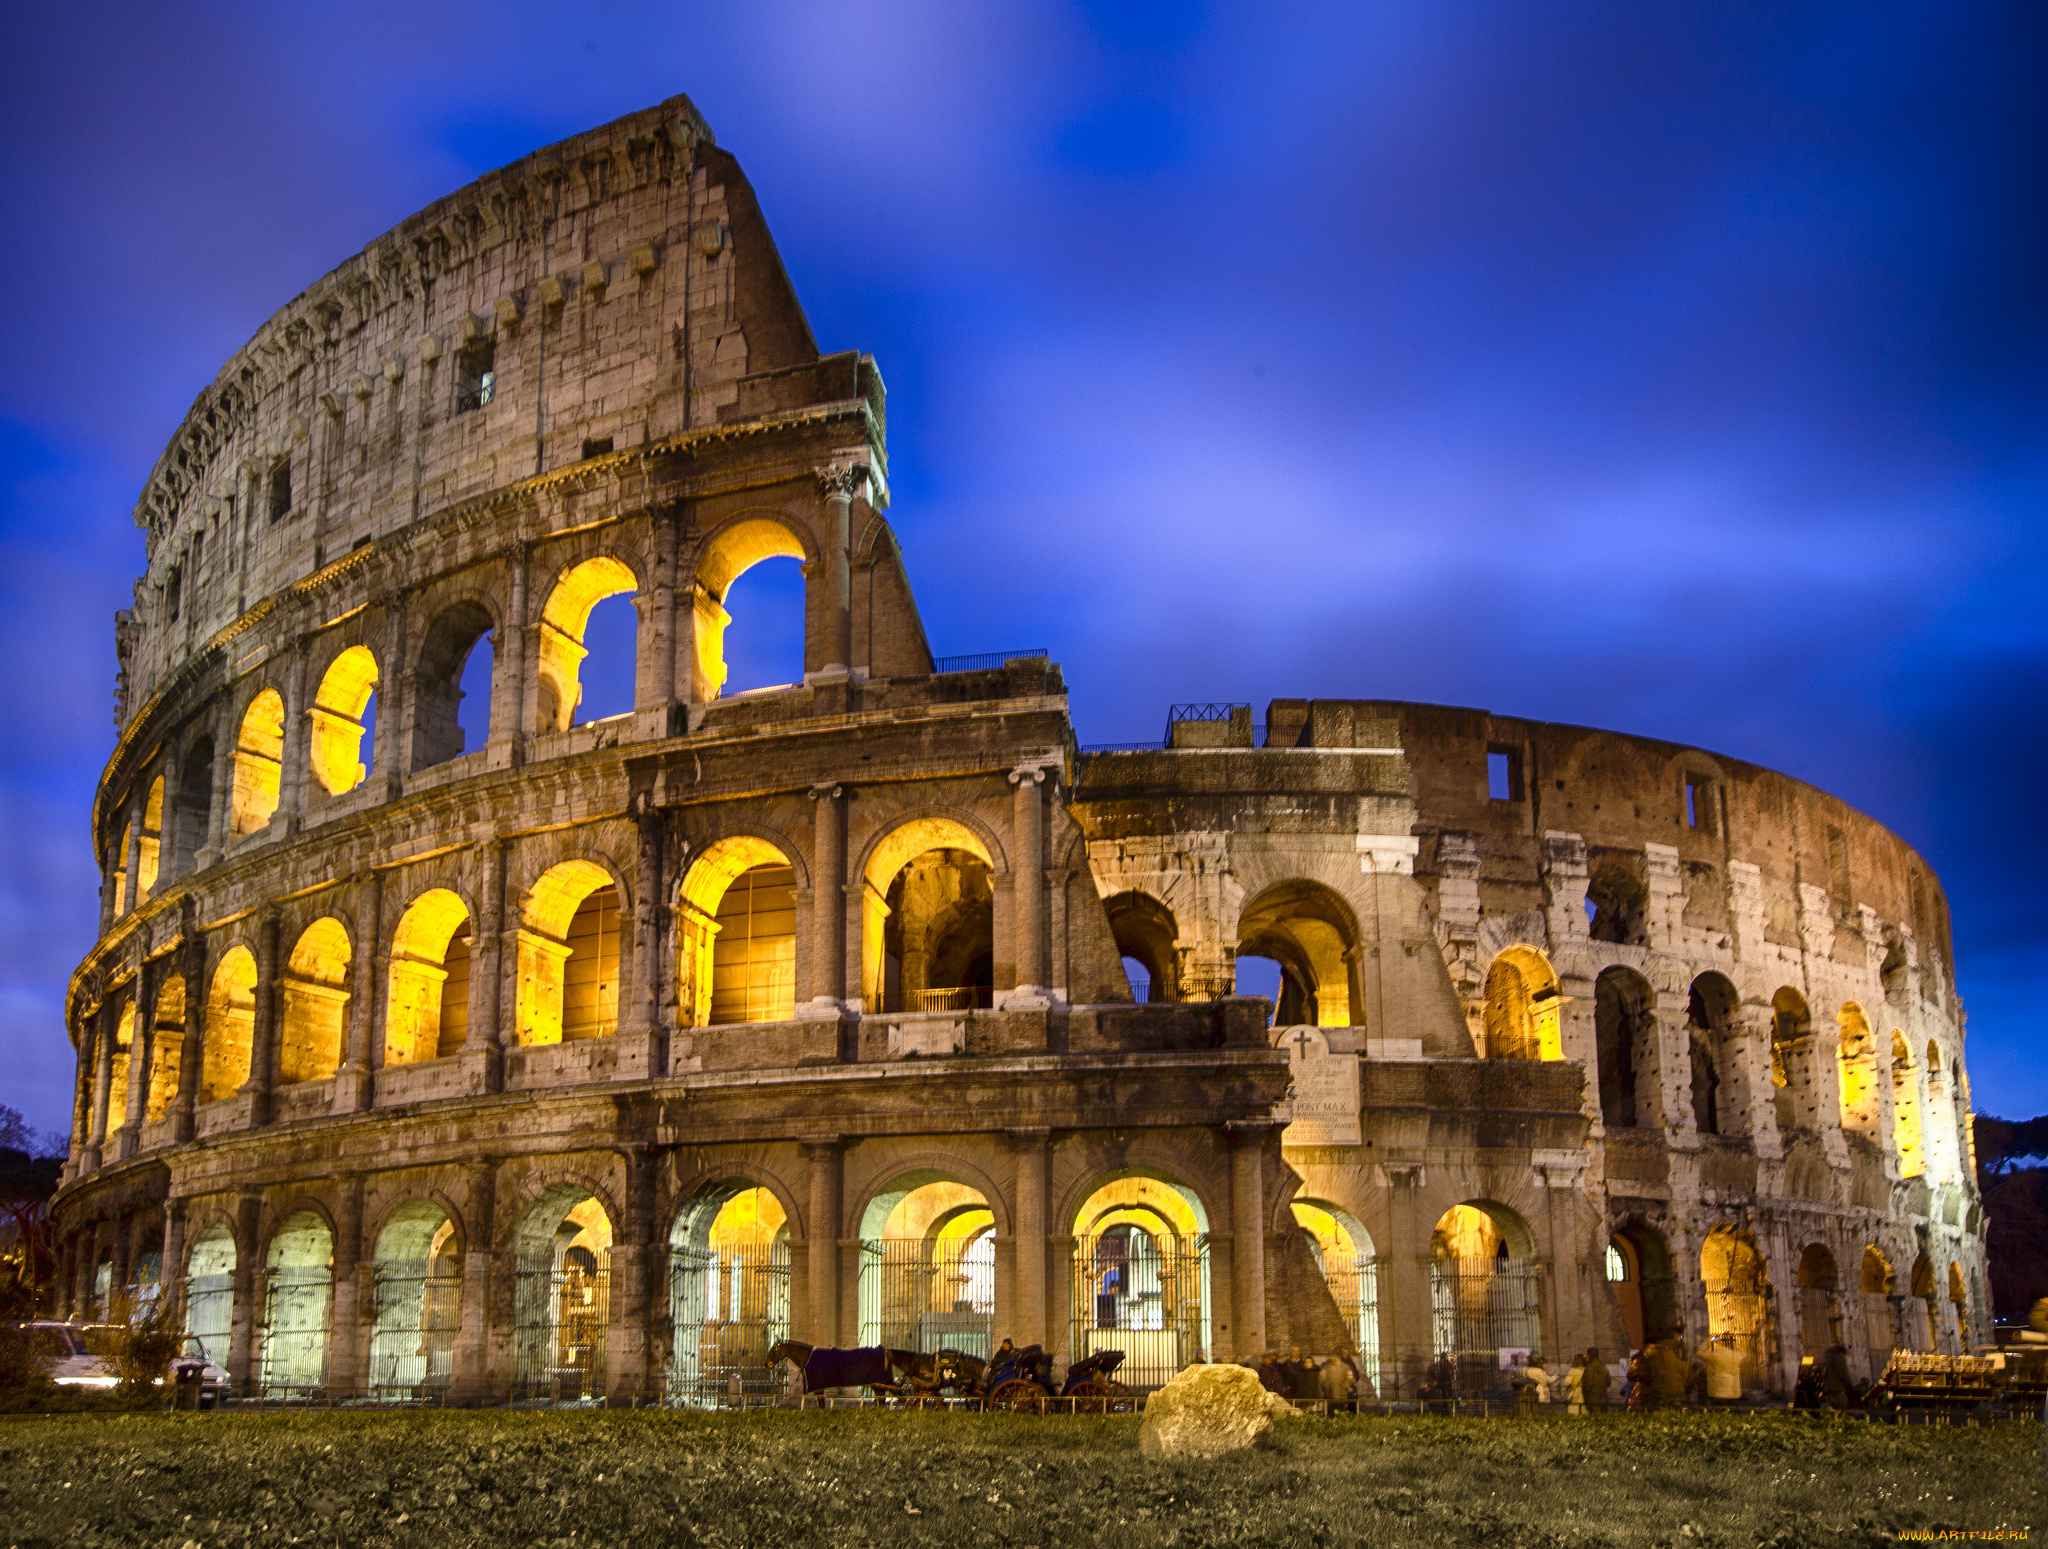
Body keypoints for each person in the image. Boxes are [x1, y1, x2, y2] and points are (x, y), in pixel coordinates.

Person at [1704, 1333, 1743, 1404]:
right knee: (1732, 1407)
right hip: (1732, 1390)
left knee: (1720, 1407)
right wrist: (1735, 1345)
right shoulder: (1735, 1356)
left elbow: (1700, 1353)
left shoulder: (1716, 1356)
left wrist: (1706, 1342)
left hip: (1719, 1390)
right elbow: (1742, 1353)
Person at [1820, 1342, 1857, 1410]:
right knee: (1842, 1412)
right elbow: (1842, 1374)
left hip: (1828, 1390)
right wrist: (1850, 1387)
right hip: (1838, 1391)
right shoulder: (1838, 1357)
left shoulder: (1829, 1358)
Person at [1581, 1347, 1610, 1411]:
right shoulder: (1603, 1366)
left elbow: (1587, 1386)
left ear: (1589, 1355)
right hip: (1603, 1398)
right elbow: (1609, 1383)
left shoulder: (1589, 1367)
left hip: (1592, 1399)